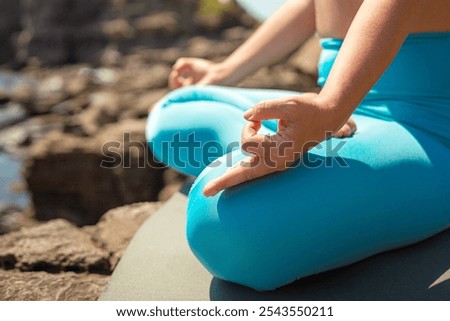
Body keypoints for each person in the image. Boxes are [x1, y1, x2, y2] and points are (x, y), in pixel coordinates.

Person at [146, 0, 450, 291]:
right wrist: (225, 71)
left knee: (223, 224)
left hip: (426, 128)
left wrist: (332, 108)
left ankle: (282, 157)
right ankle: (263, 150)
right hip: (341, 105)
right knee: (177, 107)